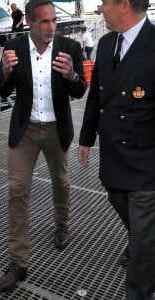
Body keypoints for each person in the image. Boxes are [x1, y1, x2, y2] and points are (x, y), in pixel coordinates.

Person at [0, 0, 87, 292]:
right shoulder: (14, 48)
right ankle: (18, 262)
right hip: (26, 129)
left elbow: (80, 89)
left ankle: (62, 223)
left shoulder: (69, 49)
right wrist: (6, 74)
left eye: (53, 21)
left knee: (61, 180)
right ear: (31, 24)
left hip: (56, 128)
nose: (50, 28)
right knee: (17, 189)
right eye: (44, 22)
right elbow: (3, 90)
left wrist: (71, 75)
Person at [77, 0, 155, 299]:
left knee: (143, 241)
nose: (100, 7)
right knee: (126, 211)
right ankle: (144, 247)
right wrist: (86, 138)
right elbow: (97, 95)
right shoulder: (108, 42)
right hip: (113, 157)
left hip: (147, 158)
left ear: (124, 5)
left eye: (105, 2)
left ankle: (139, 291)